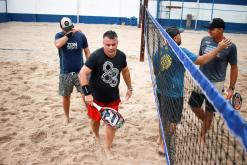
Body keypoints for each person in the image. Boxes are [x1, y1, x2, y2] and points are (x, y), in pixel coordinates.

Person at [154, 27, 231, 156]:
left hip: (160, 90)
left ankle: (160, 138)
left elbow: (156, 71)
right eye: (179, 35)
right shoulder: (179, 52)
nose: (180, 36)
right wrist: (219, 48)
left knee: (162, 116)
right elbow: (201, 60)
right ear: (174, 38)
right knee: (172, 121)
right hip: (174, 94)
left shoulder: (158, 51)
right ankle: (163, 144)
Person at [78, 30, 132, 158]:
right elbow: (82, 74)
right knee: (95, 120)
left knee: (112, 125)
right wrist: (87, 93)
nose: (111, 47)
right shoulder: (95, 56)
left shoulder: (121, 56)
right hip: (95, 98)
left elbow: (125, 71)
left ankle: (107, 148)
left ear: (117, 43)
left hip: (113, 98)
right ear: (103, 43)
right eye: (108, 44)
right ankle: (96, 135)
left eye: (113, 44)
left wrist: (130, 88)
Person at [188, 18, 238, 144]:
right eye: (208, 28)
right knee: (193, 106)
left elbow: (234, 67)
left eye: (212, 29)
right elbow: (200, 58)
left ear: (221, 30)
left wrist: (231, 87)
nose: (209, 31)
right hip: (201, 79)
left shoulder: (231, 47)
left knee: (210, 111)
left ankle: (202, 135)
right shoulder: (205, 40)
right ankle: (208, 121)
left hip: (216, 84)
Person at [54, 17, 90, 124]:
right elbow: (58, 45)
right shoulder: (59, 36)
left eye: (69, 28)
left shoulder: (81, 36)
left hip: (81, 72)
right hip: (65, 72)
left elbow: (87, 51)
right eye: (66, 29)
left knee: (86, 95)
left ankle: (90, 113)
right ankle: (67, 117)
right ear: (61, 28)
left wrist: (90, 66)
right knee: (66, 97)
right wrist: (68, 35)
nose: (68, 30)